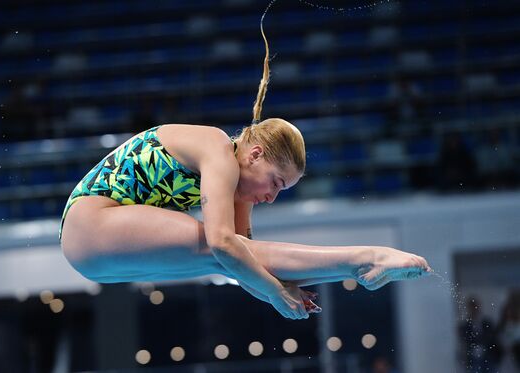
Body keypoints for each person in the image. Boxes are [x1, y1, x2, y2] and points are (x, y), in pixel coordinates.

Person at [59, 21, 432, 321]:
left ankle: (359, 268)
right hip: (89, 226)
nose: (270, 197)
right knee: (218, 247)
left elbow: (242, 263)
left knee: (240, 254)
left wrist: (279, 295)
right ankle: (364, 258)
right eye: (275, 183)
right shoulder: (218, 150)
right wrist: (274, 292)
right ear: (254, 155)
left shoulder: (238, 185)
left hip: (102, 260)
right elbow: (223, 244)